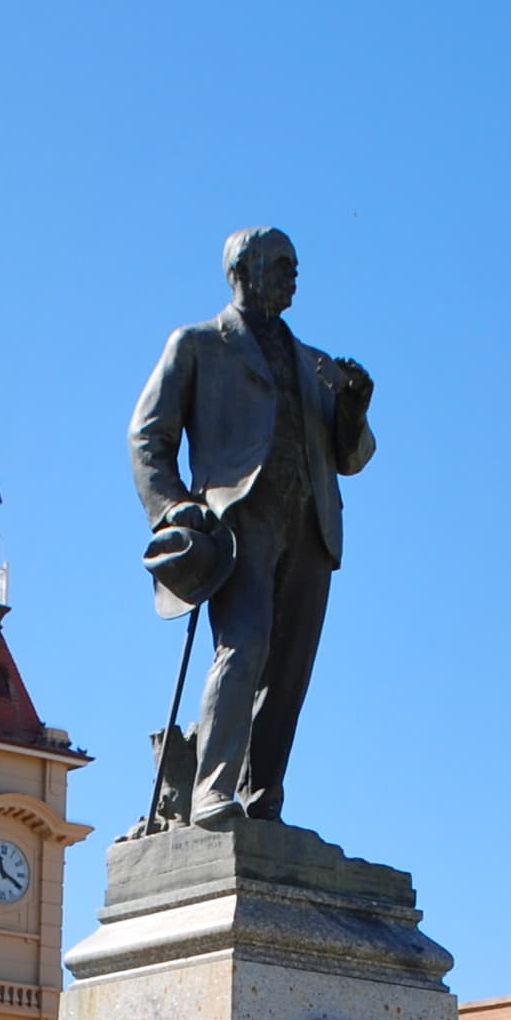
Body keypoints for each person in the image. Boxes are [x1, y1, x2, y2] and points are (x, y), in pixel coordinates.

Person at [128, 227, 376, 828]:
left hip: (312, 524)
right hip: (239, 520)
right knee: (244, 646)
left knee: (289, 671)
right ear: (243, 270)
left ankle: (262, 799)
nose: (295, 276)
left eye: (296, 266)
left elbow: (353, 456)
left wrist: (353, 409)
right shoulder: (199, 345)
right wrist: (173, 507)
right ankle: (213, 790)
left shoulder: (314, 363)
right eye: (283, 264)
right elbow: (147, 435)